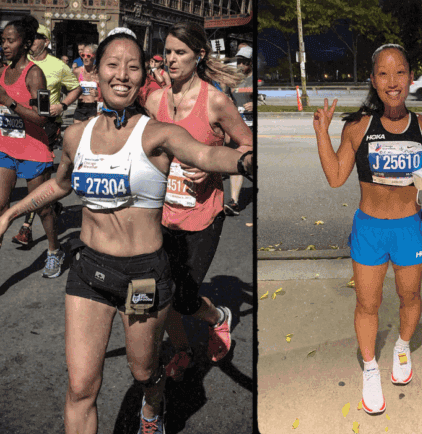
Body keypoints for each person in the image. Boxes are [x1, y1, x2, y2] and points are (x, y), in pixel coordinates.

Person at [0, 30, 252, 434]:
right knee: (81, 386)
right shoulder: (75, 136)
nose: (122, 73)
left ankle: (154, 403)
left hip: (143, 277)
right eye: (112, 64)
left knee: (143, 371)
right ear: (95, 72)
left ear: (142, 77)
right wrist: (11, 212)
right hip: (90, 272)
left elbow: (205, 153)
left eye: (132, 66)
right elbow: (60, 186)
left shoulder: (157, 134)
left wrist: (244, 162)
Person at [313, 43, 422, 414]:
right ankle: (371, 369)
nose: (393, 82)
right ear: (373, 80)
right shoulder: (358, 127)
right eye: (384, 74)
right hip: (370, 229)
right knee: (367, 303)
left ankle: (403, 346)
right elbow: (335, 177)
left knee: (410, 296)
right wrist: (321, 133)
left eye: (401, 72)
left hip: (410, 228)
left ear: (410, 76)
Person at [143, 22, 251, 382]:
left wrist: (211, 167)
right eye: (168, 52)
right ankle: (183, 349)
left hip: (203, 213)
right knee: (163, 291)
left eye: (180, 53)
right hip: (163, 212)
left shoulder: (216, 100)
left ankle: (218, 317)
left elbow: (248, 146)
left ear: (198, 55)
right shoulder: (155, 100)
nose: (171, 60)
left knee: (185, 298)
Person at [0, 16, 69, 278]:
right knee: (0, 206)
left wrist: (9, 102)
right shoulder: (2, 72)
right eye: (3, 40)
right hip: (5, 148)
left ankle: (54, 250)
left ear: (26, 43)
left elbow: (43, 117)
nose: (5, 45)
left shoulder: (35, 74)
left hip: (33, 150)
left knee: (41, 208)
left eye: (10, 40)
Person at [12, 24, 82, 249]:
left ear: (47, 41)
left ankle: (27, 227)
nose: (32, 40)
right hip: (19, 127)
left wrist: (61, 105)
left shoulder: (58, 66)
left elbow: (75, 88)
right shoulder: (18, 64)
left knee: (37, 181)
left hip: (47, 126)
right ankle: (49, 207)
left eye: (38, 37)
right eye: (30, 37)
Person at [223, 44, 253, 216]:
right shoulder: (233, 80)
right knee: (237, 162)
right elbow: (228, 100)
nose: (240, 65)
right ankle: (234, 202)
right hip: (238, 128)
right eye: (239, 62)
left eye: (244, 62)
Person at [71, 44, 100, 124]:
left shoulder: (98, 73)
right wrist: (76, 93)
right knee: (77, 132)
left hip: (94, 107)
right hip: (81, 106)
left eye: (88, 56)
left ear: (94, 56)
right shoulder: (77, 71)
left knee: (91, 133)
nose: (85, 58)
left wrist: (98, 94)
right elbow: (68, 88)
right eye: (83, 55)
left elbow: (105, 91)